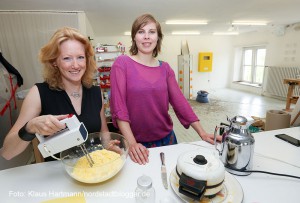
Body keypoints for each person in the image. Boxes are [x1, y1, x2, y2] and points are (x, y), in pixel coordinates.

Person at [110, 14, 222, 165]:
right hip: (136, 145)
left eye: (152, 32)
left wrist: (202, 132)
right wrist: (131, 143)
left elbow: (180, 102)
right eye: (141, 32)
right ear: (134, 37)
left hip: (167, 139)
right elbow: (119, 107)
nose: (146, 37)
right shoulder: (122, 64)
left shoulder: (165, 69)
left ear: (158, 38)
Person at [0, 27, 109, 161]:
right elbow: (7, 152)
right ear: (54, 62)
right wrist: (30, 127)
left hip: (93, 169)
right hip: (59, 176)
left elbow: (103, 132)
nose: (75, 65)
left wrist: (109, 147)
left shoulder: (96, 92)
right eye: (67, 58)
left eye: (80, 57)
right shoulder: (39, 93)